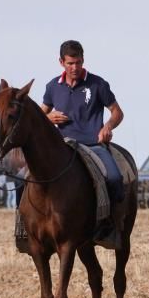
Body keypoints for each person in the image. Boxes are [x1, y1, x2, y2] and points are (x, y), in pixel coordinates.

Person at [40, 40, 125, 237]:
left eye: (78, 62)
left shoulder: (98, 84)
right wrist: (48, 117)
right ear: (61, 62)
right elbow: (39, 116)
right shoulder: (53, 86)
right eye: (70, 63)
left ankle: (110, 225)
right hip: (60, 147)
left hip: (93, 145)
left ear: (83, 60)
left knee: (114, 178)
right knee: (26, 176)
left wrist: (108, 127)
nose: (75, 67)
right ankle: (26, 227)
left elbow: (117, 112)